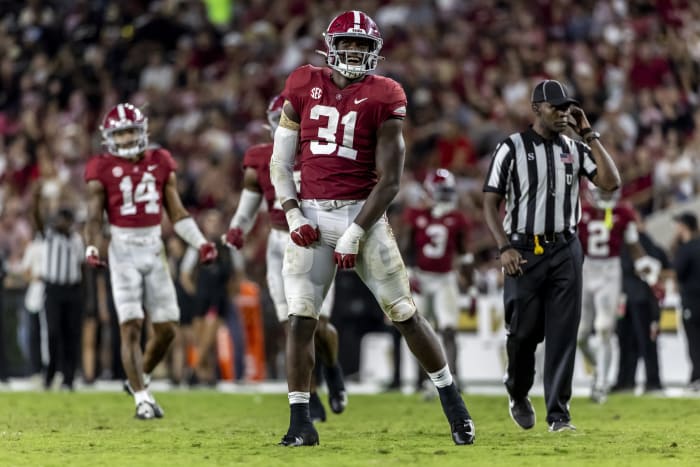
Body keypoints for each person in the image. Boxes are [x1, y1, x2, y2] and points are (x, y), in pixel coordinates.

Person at [269, 10, 474, 446]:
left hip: (363, 212)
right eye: (348, 43)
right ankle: (300, 422)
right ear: (331, 45)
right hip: (311, 211)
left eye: (363, 45)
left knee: (404, 313)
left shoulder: (385, 94)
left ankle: (454, 404)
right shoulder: (303, 83)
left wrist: (356, 231)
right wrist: (292, 213)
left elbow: (392, 181)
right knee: (300, 319)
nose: (355, 51)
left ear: (374, 51)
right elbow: (280, 161)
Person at [482, 79, 621, 432]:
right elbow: (489, 202)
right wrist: (504, 247)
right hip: (523, 250)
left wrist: (590, 134)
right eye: (555, 107)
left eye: (566, 108)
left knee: (563, 332)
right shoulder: (511, 147)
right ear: (536, 108)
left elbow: (610, 182)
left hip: (565, 247)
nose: (562, 113)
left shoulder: (574, 148)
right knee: (523, 334)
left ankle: (559, 415)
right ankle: (517, 391)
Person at [84, 103, 217, 419]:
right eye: (121, 132)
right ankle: (142, 397)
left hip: (154, 245)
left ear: (143, 132)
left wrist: (201, 243)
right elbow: (93, 216)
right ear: (110, 137)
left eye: (132, 130)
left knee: (169, 328)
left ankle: (138, 378)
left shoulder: (160, 161)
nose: (128, 137)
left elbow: (177, 212)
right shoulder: (100, 167)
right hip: (123, 248)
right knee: (130, 325)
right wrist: (91, 247)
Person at [224, 94, 347, 422]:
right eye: (279, 116)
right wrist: (237, 228)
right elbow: (248, 206)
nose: (285, 122)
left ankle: (332, 370)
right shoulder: (260, 158)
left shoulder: (319, 153)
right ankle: (312, 395)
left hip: (316, 240)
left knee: (319, 326)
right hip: (280, 242)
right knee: (291, 326)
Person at [577, 183, 660, 402]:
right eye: (602, 191)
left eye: (608, 192)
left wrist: (644, 265)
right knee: (581, 335)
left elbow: (633, 245)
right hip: (585, 270)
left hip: (610, 271)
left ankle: (602, 383)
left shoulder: (623, 213)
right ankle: (598, 369)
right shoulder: (580, 212)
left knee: (604, 328)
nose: (605, 196)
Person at [402, 168, 474, 394]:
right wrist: (410, 275)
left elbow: (465, 256)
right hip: (421, 278)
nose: (445, 196)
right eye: (441, 191)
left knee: (449, 329)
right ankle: (421, 380)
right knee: (418, 330)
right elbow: (406, 248)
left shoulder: (458, 218)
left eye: (447, 191)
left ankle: (455, 377)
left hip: (445, 279)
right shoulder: (415, 216)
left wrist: (470, 290)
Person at [613, 221, 667, 393]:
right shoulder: (621, 240)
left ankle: (652, 381)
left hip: (641, 297)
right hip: (626, 298)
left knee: (645, 341)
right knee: (625, 341)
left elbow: (649, 265)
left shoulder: (642, 239)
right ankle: (625, 380)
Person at [41, 207, 85, 391]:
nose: (60, 223)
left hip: (73, 290)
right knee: (53, 332)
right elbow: (37, 218)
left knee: (71, 334)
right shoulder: (50, 236)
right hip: (53, 289)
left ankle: (69, 378)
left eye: (64, 220)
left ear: (70, 222)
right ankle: (50, 373)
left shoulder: (76, 240)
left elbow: (82, 266)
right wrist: (37, 200)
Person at [671, 211, 700, 390]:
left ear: (683, 226)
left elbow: (678, 273)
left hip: (692, 301)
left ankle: (697, 377)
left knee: (695, 341)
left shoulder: (686, 248)